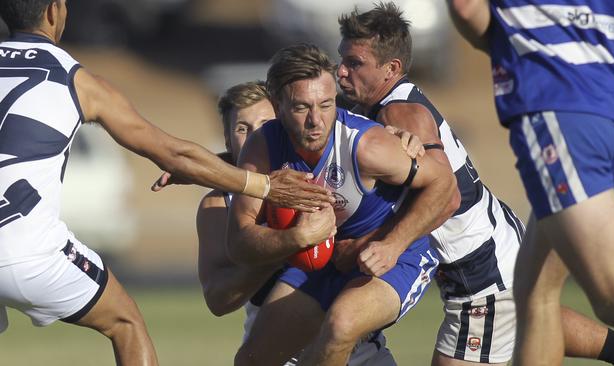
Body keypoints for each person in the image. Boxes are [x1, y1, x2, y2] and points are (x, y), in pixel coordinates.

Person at [0, 1, 331, 364]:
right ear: (54, 11)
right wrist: (265, 186)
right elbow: (173, 154)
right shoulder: (75, 79)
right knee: (126, 322)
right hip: (30, 250)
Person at [336, 2, 614, 366]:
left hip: (478, 271)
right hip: (498, 239)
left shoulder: (400, 113)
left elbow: (446, 196)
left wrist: (386, 245)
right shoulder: (385, 106)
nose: (341, 71)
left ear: (391, 69)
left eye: (355, 63)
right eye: (342, 59)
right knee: (534, 307)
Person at [226, 43, 460, 366]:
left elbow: (445, 186)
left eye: (325, 105)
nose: (316, 121)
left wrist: (391, 244)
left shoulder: (366, 145)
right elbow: (238, 242)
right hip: (328, 259)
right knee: (251, 360)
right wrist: (295, 239)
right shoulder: (263, 147)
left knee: (340, 325)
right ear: (277, 105)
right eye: (301, 108)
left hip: (397, 256)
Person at [446, 0, 614, 365]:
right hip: (612, 119)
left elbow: (465, 8)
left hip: (560, 119)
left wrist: (501, 41)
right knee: (534, 291)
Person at [196, 80, 397, 365]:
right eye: (242, 128)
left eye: (266, 124)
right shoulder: (219, 204)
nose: (255, 135)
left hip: (358, 350)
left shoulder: (328, 174)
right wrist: (283, 246)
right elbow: (218, 299)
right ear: (228, 140)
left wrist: (403, 139)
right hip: (278, 356)